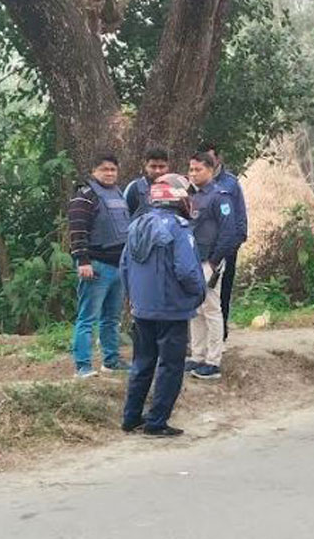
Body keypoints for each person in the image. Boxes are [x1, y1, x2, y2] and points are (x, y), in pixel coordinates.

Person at [121, 174, 206, 437]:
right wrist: (198, 294)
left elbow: (124, 267)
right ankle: (157, 422)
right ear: (179, 198)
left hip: (142, 308)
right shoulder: (179, 228)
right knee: (170, 367)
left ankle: (131, 418)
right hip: (171, 308)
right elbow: (187, 271)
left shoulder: (136, 226)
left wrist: (134, 298)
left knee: (142, 363)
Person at [68, 153, 130, 378]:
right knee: (87, 318)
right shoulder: (84, 196)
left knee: (111, 319)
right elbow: (77, 231)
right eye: (105, 169)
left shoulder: (119, 193)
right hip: (95, 267)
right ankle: (83, 366)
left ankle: (111, 361)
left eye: (113, 169)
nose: (110, 173)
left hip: (118, 267)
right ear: (94, 171)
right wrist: (82, 261)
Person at [186, 152, 239, 380]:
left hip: (211, 261)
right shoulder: (192, 197)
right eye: (191, 170)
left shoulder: (220, 196)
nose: (193, 173)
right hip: (192, 261)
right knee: (195, 310)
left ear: (210, 170)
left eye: (198, 170)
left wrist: (214, 262)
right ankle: (197, 356)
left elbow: (229, 233)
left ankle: (213, 361)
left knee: (211, 308)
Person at [200, 142, 247, 340]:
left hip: (226, 248)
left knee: (223, 292)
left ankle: (221, 337)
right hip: (202, 252)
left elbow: (240, 215)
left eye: (211, 159)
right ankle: (201, 342)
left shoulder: (230, 183)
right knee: (201, 296)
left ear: (218, 159)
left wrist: (235, 242)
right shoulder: (194, 185)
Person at [124, 145, 170, 220]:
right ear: (146, 166)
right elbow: (124, 218)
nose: (157, 171)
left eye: (161, 167)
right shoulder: (135, 188)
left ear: (168, 166)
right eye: (153, 166)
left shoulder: (175, 188)